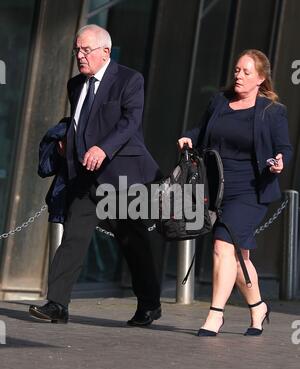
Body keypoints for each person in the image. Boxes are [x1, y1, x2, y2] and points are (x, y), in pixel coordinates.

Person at [29, 24, 162, 326]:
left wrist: (103, 148)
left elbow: (130, 123)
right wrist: (66, 147)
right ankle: (57, 304)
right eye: (76, 49)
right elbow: (80, 123)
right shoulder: (75, 85)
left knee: (133, 241)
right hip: (84, 178)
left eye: (85, 50)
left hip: (121, 178)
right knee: (73, 238)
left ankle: (150, 303)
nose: (79, 55)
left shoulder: (129, 80)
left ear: (105, 51)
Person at [178, 49, 292, 336]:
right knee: (240, 258)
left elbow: (284, 147)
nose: (239, 76)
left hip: (252, 189)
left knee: (222, 246)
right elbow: (202, 130)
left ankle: (215, 314)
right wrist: (188, 137)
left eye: (246, 72)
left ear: (261, 78)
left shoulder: (272, 111)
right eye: (237, 71)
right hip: (217, 188)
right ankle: (258, 307)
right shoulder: (220, 101)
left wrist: (279, 162)